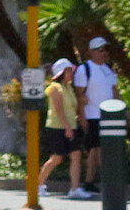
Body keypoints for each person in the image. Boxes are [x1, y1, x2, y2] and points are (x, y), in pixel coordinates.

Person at [35, 60, 89, 200]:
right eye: (69, 70)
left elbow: (72, 108)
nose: (72, 73)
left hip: (72, 126)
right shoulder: (54, 88)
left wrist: (82, 105)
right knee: (57, 158)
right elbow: (58, 110)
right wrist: (67, 128)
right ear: (62, 73)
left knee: (76, 156)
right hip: (57, 127)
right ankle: (38, 185)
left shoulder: (69, 88)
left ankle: (74, 188)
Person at [76, 38, 116, 197]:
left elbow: (115, 90)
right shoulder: (84, 69)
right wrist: (82, 117)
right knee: (94, 149)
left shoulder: (109, 69)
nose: (104, 53)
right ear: (91, 51)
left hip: (109, 115)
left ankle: (107, 180)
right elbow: (80, 95)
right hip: (92, 115)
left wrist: (124, 109)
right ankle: (89, 181)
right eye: (100, 50)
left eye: (106, 50)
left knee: (105, 149)